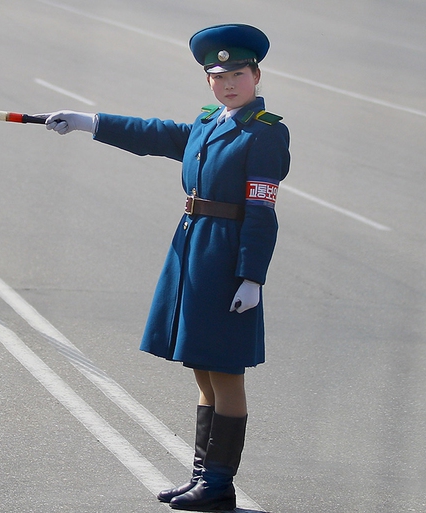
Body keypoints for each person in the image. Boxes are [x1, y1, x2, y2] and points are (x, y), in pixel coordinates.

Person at [43, 24, 290, 511]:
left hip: (226, 255)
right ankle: (201, 475)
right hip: (193, 249)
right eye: (218, 77)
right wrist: (88, 122)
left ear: (256, 74)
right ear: (208, 82)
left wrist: (251, 275)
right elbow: (154, 134)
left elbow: (262, 210)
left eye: (238, 73)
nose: (229, 83)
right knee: (201, 367)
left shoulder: (265, 133)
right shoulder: (210, 122)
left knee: (226, 371)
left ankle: (219, 483)